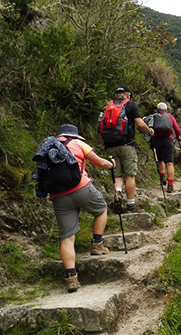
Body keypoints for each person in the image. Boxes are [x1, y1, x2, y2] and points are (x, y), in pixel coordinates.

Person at [49, 124, 115, 293]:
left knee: (67, 237)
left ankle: (71, 278)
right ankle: (97, 244)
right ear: (75, 134)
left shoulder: (48, 145)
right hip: (81, 187)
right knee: (101, 210)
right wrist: (111, 164)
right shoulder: (77, 143)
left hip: (58, 195)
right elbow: (99, 162)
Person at [102, 86, 152, 213]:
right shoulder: (130, 105)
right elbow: (140, 124)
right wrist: (150, 131)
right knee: (129, 175)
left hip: (109, 146)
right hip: (126, 145)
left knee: (117, 175)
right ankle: (131, 204)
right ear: (128, 95)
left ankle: (118, 194)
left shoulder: (107, 106)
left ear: (116, 95)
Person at [151, 102, 181, 193]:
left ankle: (162, 176)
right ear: (166, 110)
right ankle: (170, 185)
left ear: (157, 109)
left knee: (160, 160)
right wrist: (178, 136)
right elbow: (177, 129)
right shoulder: (170, 117)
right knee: (169, 163)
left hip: (156, 141)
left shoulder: (153, 117)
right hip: (168, 140)